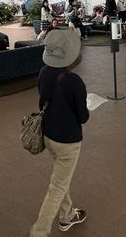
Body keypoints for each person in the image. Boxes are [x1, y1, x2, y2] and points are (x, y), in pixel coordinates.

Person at [31, 29, 89, 236]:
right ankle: (39, 231)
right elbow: (83, 117)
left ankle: (66, 216)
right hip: (68, 140)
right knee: (56, 187)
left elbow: (43, 101)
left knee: (60, 179)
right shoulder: (74, 82)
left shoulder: (43, 73)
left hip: (49, 135)